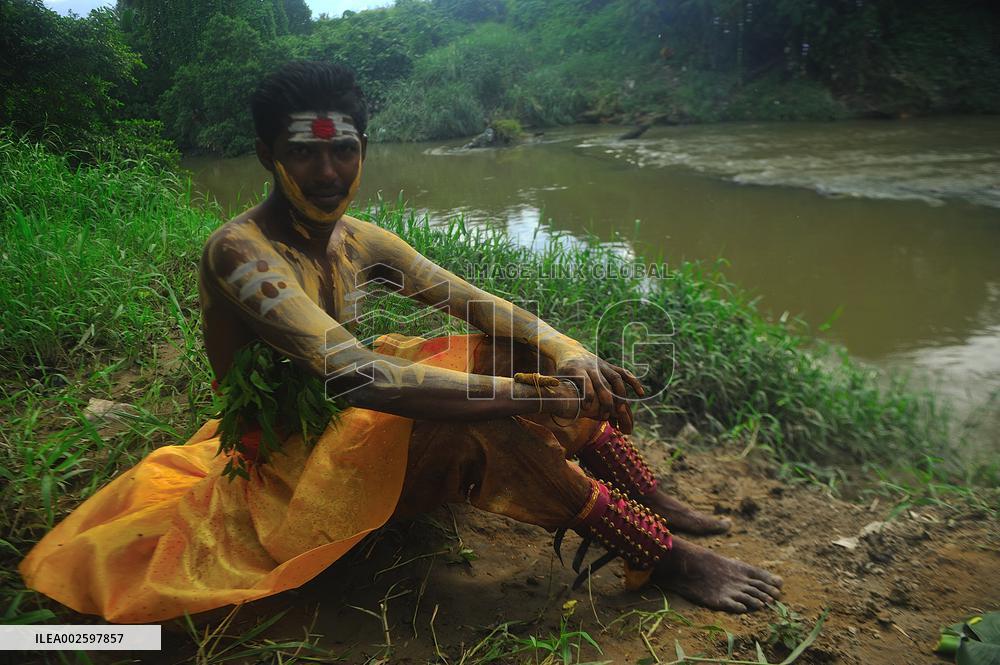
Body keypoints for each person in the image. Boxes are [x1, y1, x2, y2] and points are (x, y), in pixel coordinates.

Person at [20, 62, 781, 624]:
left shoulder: (360, 239)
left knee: (517, 352)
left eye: (342, 149)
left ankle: (648, 496)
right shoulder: (241, 252)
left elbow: (483, 304)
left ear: (363, 147)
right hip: (288, 467)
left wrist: (569, 353)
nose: (327, 171)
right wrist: (531, 394)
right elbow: (360, 380)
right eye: (305, 152)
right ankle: (663, 552)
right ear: (265, 154)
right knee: (475, 408)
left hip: (349, 438)